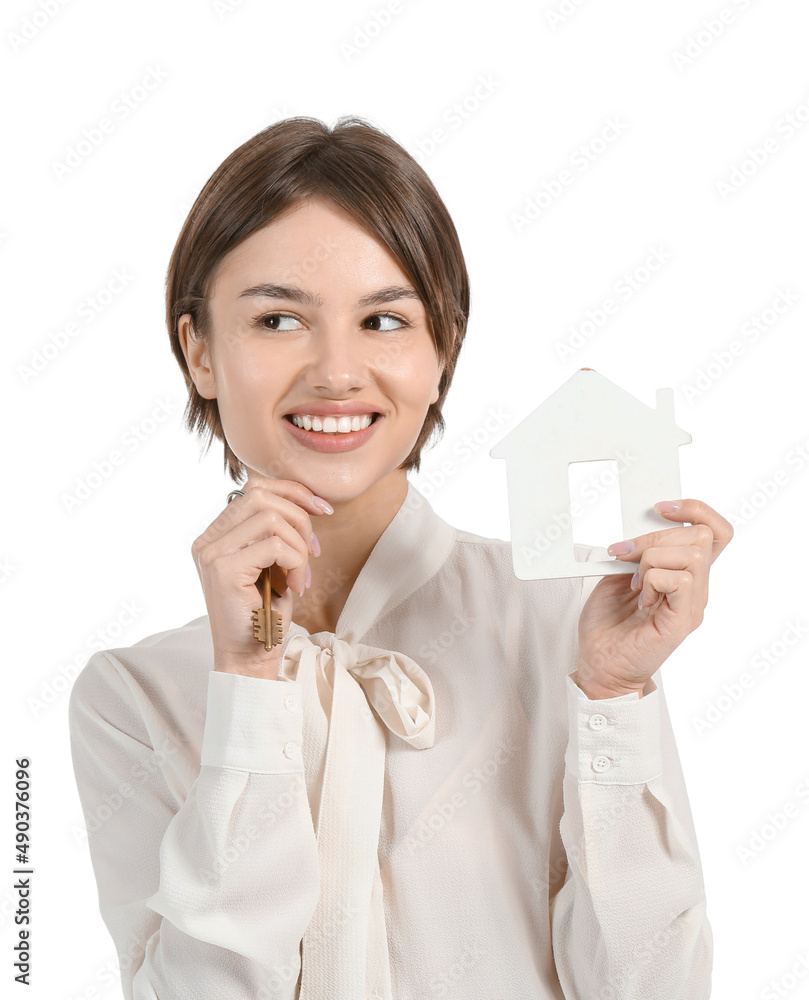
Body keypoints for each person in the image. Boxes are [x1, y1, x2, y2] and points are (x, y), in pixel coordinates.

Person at [68, 114, 732, 1000]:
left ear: (441, 347)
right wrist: (250, 681)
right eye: (277, 319)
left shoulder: (563, 623)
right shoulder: (134, 695)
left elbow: (653, 987)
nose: (337, 372)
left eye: (384, 319)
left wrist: (611, 700)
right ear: (199, 351)